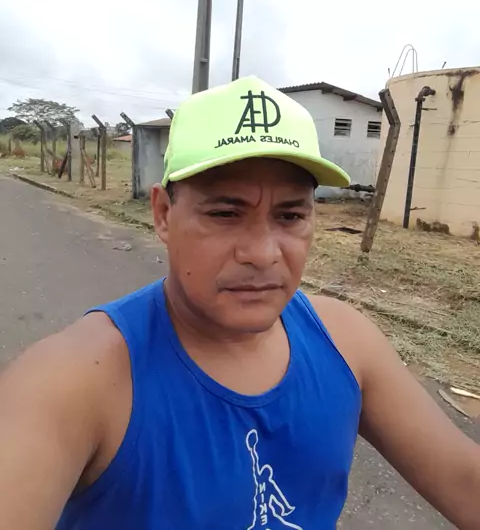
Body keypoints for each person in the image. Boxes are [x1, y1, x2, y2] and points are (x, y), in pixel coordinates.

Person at [0, 76, 479, 530]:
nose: (263, 253)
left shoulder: (345, 343)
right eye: (226, 213)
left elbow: (462, 479)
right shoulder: (78, 380)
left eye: (289, 216)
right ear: (163, 214)